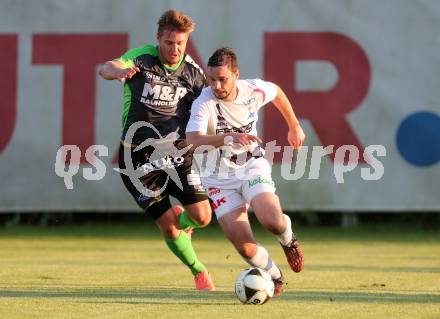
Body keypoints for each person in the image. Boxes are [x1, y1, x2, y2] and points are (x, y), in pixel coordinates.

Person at [98, 10, 215, 291]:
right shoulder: (142, 58)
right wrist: (119, 72)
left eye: (180, 43)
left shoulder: (192, 74)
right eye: (169, 42)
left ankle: (185, 224)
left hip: (177, 156)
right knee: (169, 226)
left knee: (202, 217)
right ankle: (198, 271)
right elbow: (106, 67)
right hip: (137, 160)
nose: (174, 49)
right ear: (158, 39)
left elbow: (212, 103)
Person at [186, 47, 305, 295]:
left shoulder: (254, 90)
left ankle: (288, 240)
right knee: (245, 248)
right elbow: (193, 140)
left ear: (236, 74)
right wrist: (227, 137)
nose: (217, 85)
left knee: (272, 221)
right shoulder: (204, 102)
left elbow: (278, 93)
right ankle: (274, 276)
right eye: (212, 79)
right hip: (218, 179)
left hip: (251, 166)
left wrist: (294, 125)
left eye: (223, 79)